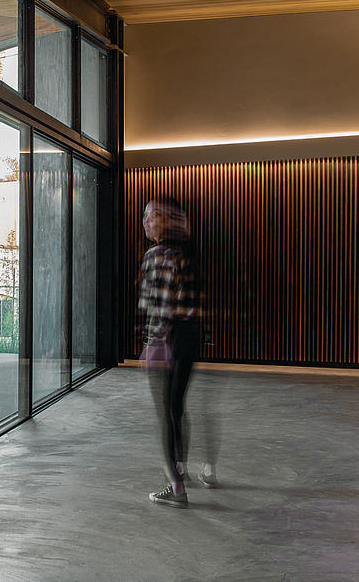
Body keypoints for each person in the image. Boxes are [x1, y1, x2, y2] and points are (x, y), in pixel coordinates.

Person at [137, 197, 213, 508]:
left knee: (164, 416)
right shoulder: (187, 254)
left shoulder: (156, 255)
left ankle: (176, 487)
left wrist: (152, 343)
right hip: (190, 339)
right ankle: (181, 468)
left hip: (166, 339)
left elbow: (158, 305)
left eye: (151, 217)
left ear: (164, 222)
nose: (146, 222)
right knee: (177, 407)